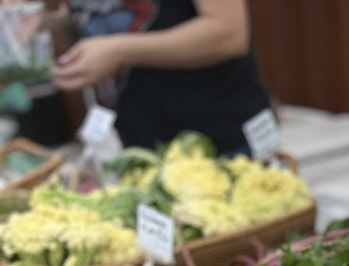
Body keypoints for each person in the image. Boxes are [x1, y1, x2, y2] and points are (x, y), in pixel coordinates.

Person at [48, 1, 273, 156]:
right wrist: (40, 24)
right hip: (141, 147)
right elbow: (97, 19)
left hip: (221, 142)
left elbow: (229, 33)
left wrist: (119, 51)